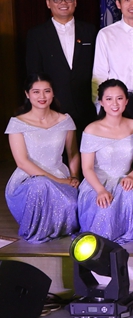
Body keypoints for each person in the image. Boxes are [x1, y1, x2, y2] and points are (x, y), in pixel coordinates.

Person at [6, 74, 80, 242]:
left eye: (47, 91)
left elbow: (72, 152)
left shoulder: (65, 120)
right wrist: (58, 181)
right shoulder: (17, 123)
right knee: (40, 185)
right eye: (36, 92)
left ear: (53, 93)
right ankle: (37, 231)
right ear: (27, 94)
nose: (42, 96)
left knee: (72, 204)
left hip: (60, 173)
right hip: (28, 178)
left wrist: (74, 176)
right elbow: (22, 162)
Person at [27, 0, 98, 135]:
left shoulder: (90, 30)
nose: (63, 2)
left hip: (87, 107)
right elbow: (34, 74)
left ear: (75, 2)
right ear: (48, 3)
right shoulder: (36, 35)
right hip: (53, 108)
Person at [78, 80, 133, 244]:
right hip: (97, 181)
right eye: (109, 99)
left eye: (119, 98)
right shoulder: (91, 129)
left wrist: (132, 176)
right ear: (101, 102)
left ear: (126, 101)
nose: (115, 104)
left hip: (126, 178)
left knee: (129, 194)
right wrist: (100, 190)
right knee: (104, 206)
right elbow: (87, 168)